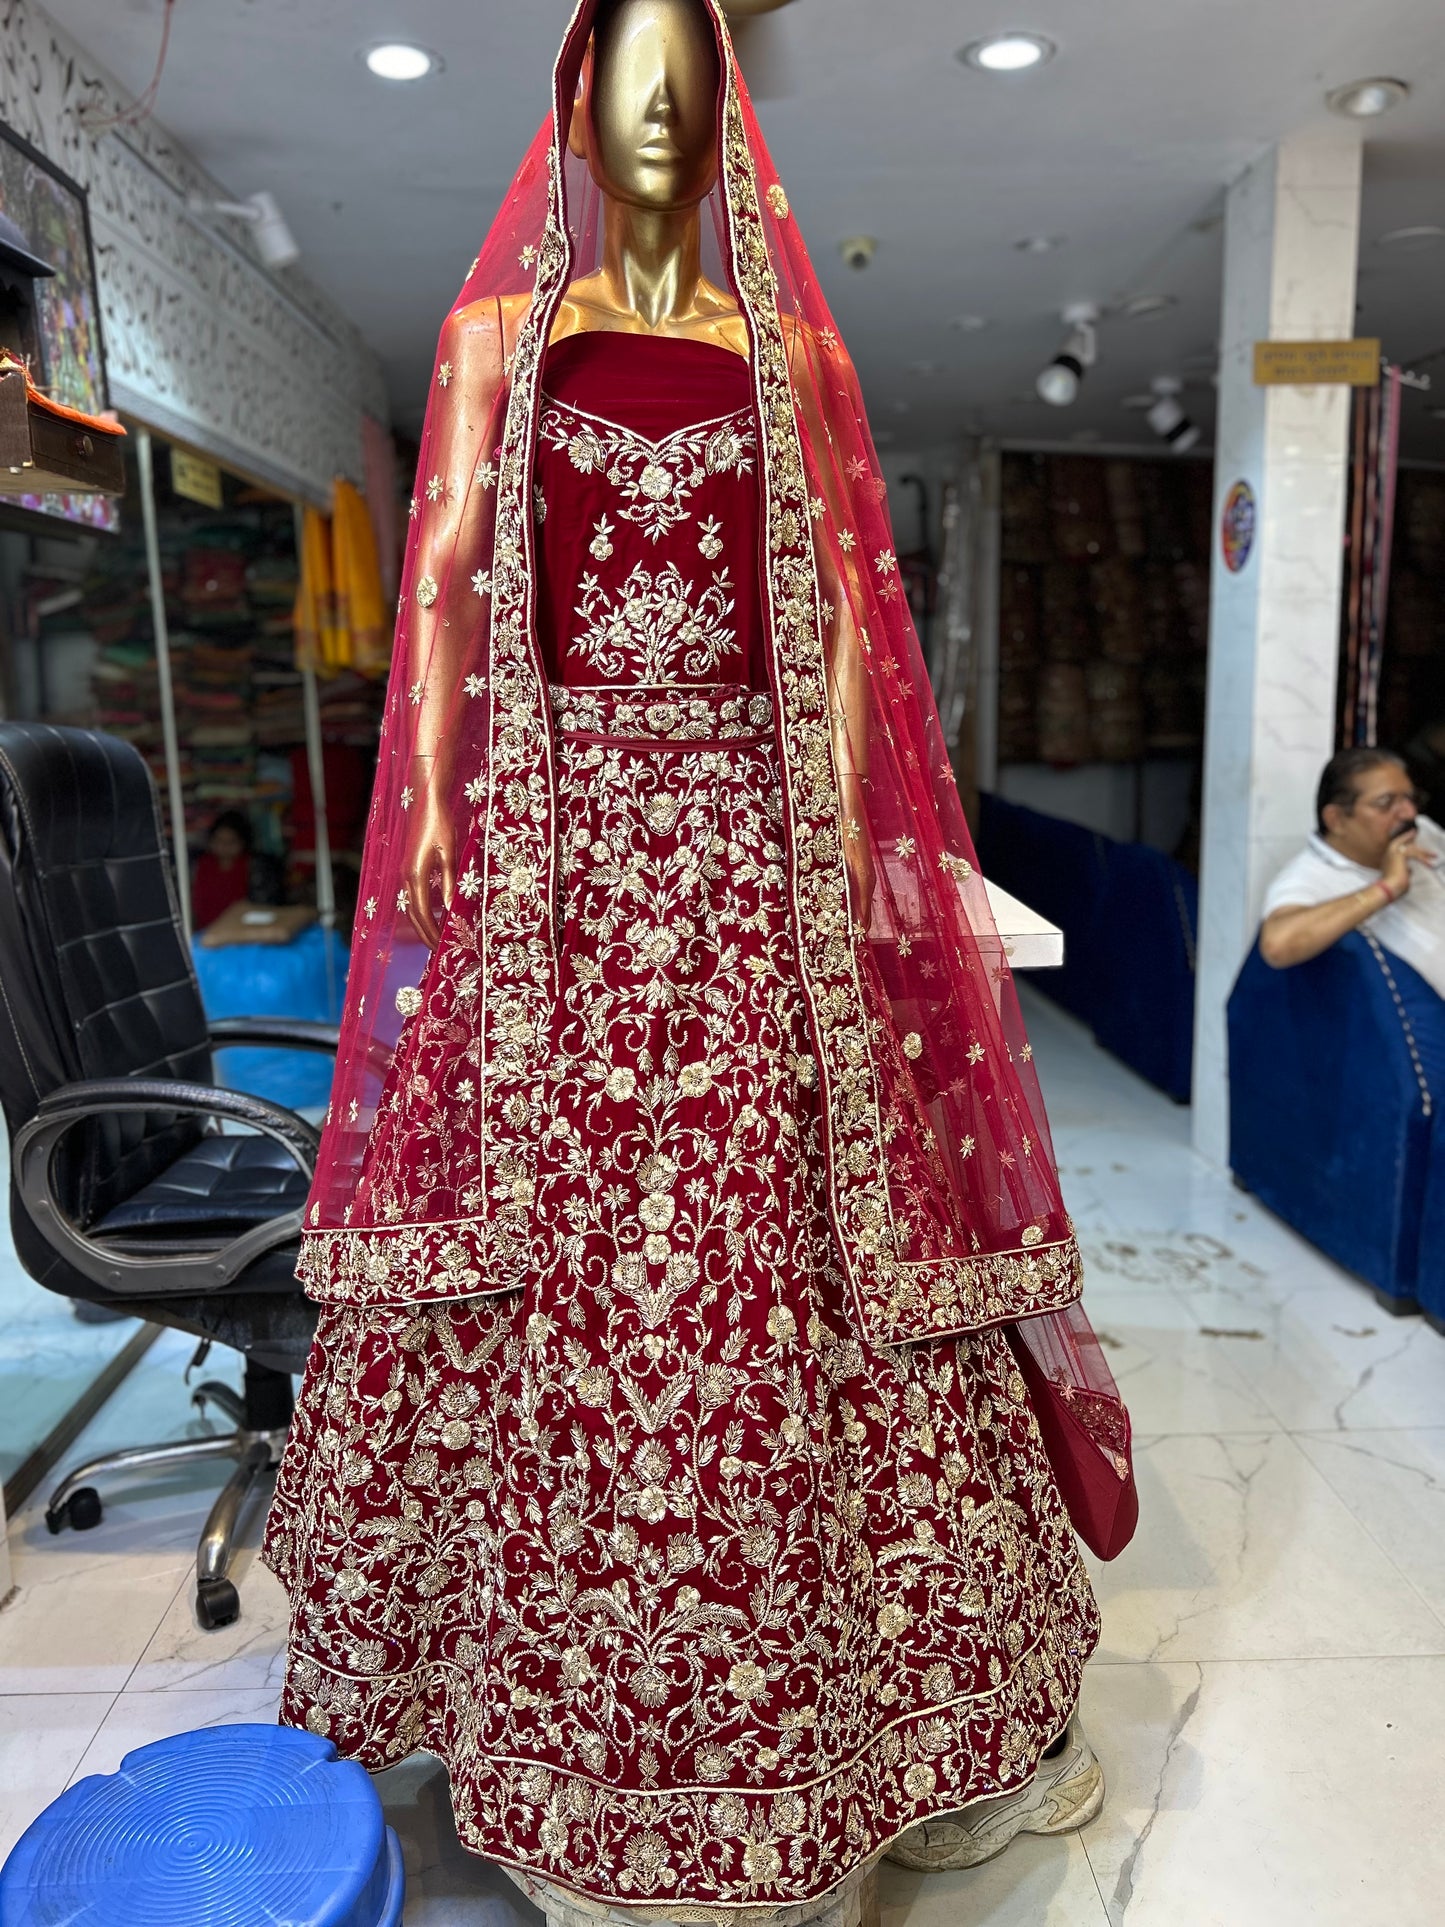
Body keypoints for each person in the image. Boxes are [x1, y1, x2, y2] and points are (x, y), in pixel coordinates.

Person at [263, 4, 1129, 1919]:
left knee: (787, 1234)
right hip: (560, 867)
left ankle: (854, 1714)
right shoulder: (495, 344)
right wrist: (425, 825)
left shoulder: (794, 358)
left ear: (728, 116)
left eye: (691, 81)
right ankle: (522, 1701)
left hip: (758, 875)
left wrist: (859, 845)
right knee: (540, 1235)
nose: (657, 112)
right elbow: (450, 592)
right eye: (622, 81)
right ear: (571, 113)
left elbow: (831, 626)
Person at [1259, 747, 1445, 996]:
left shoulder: (1422, 833)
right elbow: (1277, 945)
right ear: (1336, 819)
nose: (1408, 813)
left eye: (1410, 799)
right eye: (1386, 803)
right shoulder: (1308, 877)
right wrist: (1387, 888)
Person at [190, 809, 253, 930]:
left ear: (242, 842)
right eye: (219, 840)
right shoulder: (203, 864)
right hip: (206, 931)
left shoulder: (249, 865)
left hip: (240, 931)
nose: (224, 847)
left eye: (231, 842)